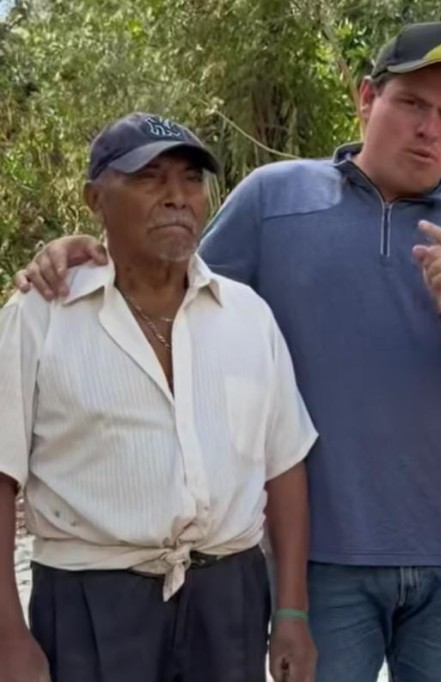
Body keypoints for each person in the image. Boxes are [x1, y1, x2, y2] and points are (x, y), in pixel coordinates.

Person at [13, 22, 441, 682]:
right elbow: (170, 277)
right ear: (366, 98)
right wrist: (85, 251)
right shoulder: (276, 199)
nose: (430, 128)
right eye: (411, 103)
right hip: (324, 559)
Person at [0, 113, 318, 682]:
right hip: (93, 605)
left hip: (229, 602)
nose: (177, 197)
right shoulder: (39, 317)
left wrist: (291, 610)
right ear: (95, 198)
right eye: (150, 178)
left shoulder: (248, 316)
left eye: (191, 180)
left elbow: (285, 466)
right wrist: (6, 635)